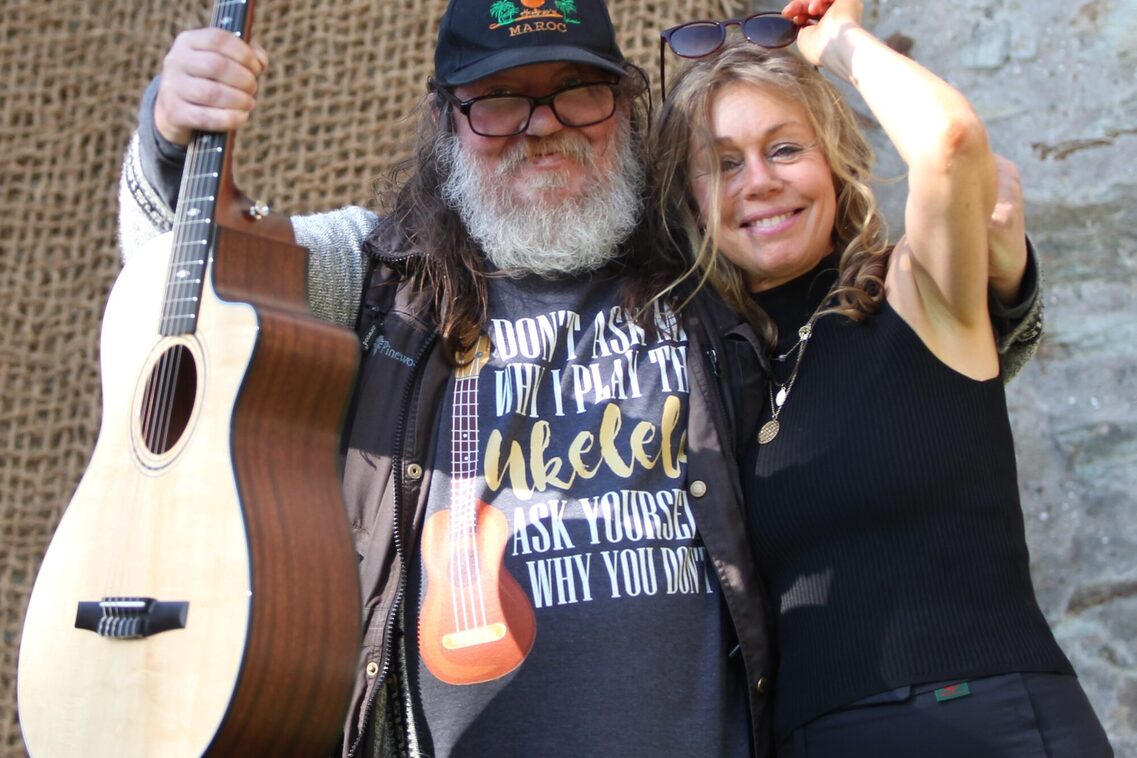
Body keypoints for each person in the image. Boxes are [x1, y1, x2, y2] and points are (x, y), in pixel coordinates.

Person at [117, 0, 1041, 755]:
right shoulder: (372, 274)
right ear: (446, 122)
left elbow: (888, 352)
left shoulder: (704, 271)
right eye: (500, 100)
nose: (542, 127)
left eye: (576, 94)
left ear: (628, 110)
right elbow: (185, 282)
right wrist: (172, 130)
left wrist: (997, 269)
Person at [651, 0, 1112, 755]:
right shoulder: (714, 376)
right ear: (693, 204)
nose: (758, 181)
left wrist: (837, 42)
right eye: (723, 163)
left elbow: (950, 142)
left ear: (832, 161)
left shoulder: (916, 291)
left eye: (784, 148)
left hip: (985, 722)